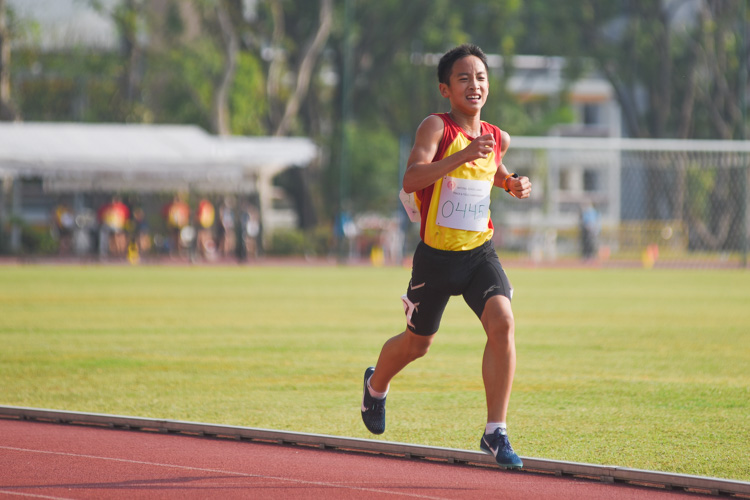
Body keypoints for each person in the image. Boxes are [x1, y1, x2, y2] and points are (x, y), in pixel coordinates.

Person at [360, 44, 532, 469]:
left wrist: (510, 183)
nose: (474, 85)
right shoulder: (436, 129)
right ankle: (375, 387)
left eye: (480, 78)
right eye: (463, 78)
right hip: (435, 260)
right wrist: (459, 156)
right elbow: (412, 176)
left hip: (478, 255)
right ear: (445, 89)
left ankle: (495, 432)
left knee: (504, 321)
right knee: (418, 345)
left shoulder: (497, 138)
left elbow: (492, 170)